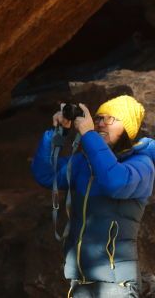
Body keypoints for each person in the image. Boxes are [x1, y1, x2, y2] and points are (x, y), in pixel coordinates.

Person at [31, 95, 155, 297]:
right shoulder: (85, 163)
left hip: (117, 285)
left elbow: (115, 183)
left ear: (129, 127)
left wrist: (89, 134)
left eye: (110, 118)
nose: (100, 123)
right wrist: (57, 132)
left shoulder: (142, 164)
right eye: (97, 118)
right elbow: (46, 175)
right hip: (81, 281)